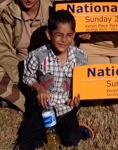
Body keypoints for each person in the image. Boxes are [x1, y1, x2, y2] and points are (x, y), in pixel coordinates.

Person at [17, 10, 91, 149]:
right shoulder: (38, 55)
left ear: (74, 35)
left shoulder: (80, 57)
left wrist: (77, 97)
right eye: (59, 35)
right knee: (26, 144)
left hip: (66, 106)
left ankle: (77, 127)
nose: (64, 40)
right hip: (43, 107)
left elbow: (83, 83)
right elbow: (27, 77)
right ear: (48, 34)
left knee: (72, 140)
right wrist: (39, 88)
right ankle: (51, 128)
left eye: (69, 35)